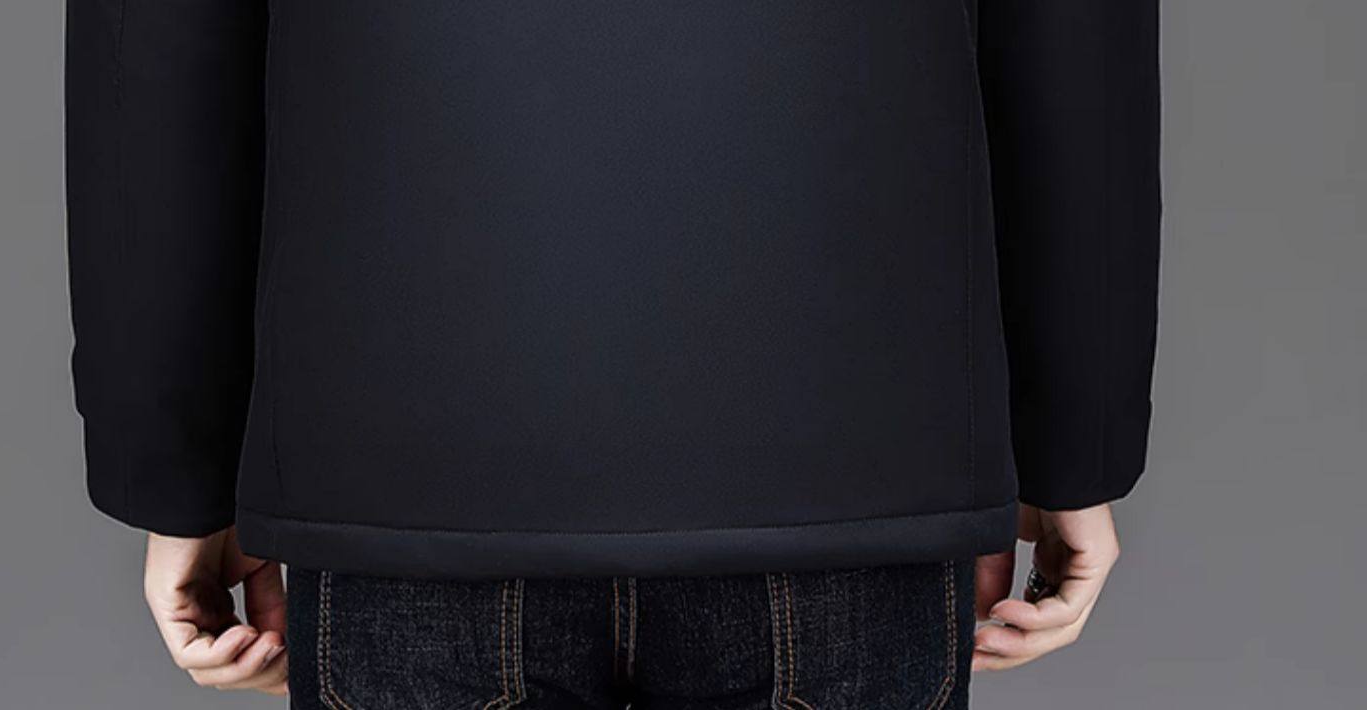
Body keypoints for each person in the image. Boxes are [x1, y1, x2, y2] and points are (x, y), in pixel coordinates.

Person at [65, 1, 1160, 707]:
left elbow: (156, 53)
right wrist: (1073, 446)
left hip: (414, 478)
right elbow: (1077, 50)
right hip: (850, 463)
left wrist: (180, 475)